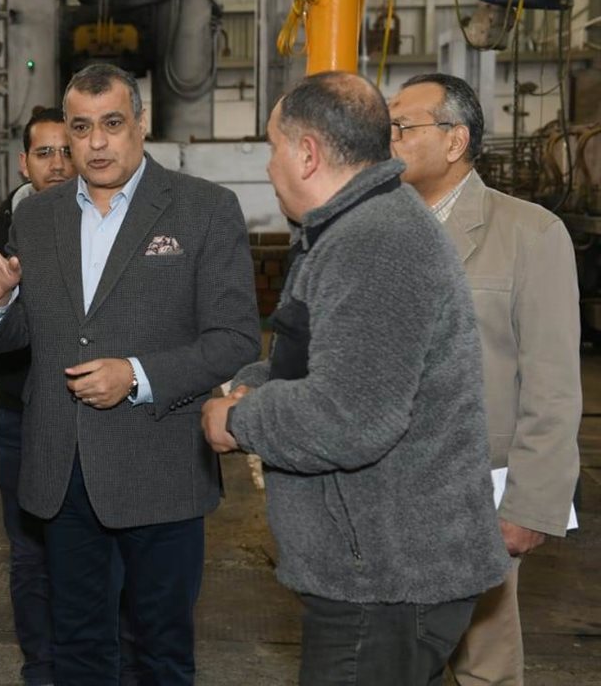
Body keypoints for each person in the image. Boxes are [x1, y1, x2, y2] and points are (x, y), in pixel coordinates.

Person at [201, 71, 512, 686]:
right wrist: (251, 382)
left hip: (385, 584)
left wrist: (238, 419)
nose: (269, 166)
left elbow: (350, 418)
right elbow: (316, 360)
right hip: (379, 575)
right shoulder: (352, 229)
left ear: (307, 153)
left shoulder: (375, 242)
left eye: (273, 148)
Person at [0, 63, 261, 685]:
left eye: (113, 124)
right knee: (78, 650)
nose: (96, 142)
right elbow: (23, 340)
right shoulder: (37, 218)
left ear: (141, 125)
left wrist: (138, 375)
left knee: (161, 655)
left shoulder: (204, 209)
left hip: (161, 471)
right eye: (81, 127)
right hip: (64, 473)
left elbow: (235, 338)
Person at [388, 73, 581, 686]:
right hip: (380, 495)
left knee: (484, 665)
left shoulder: (529, 233)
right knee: (385, 661)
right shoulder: (373, 231)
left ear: (455, 141)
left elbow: (553, 386)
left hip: (475, 496)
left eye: (402, 127)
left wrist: (531, 504)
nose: (388, 140)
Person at [0, 106, 75, 686]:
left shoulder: (102, 227)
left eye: (67, 150)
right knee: (31, 553)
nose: (57, 164)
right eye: (45, 152)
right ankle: (41, 667)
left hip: (94, 415)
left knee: (92, 547)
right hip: (22, 420)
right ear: (23, 162)